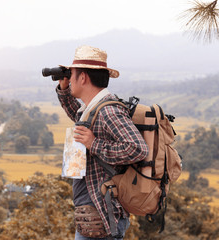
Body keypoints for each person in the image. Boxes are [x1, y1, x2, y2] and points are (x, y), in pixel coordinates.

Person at [56, 45, 149, 240]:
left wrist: (94, 143)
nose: (69, 79)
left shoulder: (108, 111)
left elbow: (137, 149)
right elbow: (78, 116)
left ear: (83, 78)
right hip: (91, 215)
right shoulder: (92, 109)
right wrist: (64, 89)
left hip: (102, 216)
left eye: (72, 74)